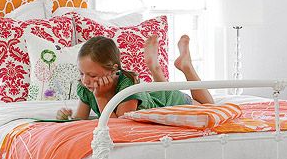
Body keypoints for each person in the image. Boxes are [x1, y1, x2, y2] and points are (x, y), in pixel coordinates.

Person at [56, 34, 214, 121]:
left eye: (92, 75)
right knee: (158, 89)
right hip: (151, 95)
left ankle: (186, 66)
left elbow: (119, 125)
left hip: (166, 101)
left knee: (210, 107)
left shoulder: (127, 86)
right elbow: (80, 119)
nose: (85, 80)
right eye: (81, 73)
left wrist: (101, 97)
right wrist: (67, 118)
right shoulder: (86, 87)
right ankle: (156, 70)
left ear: (113, 71)